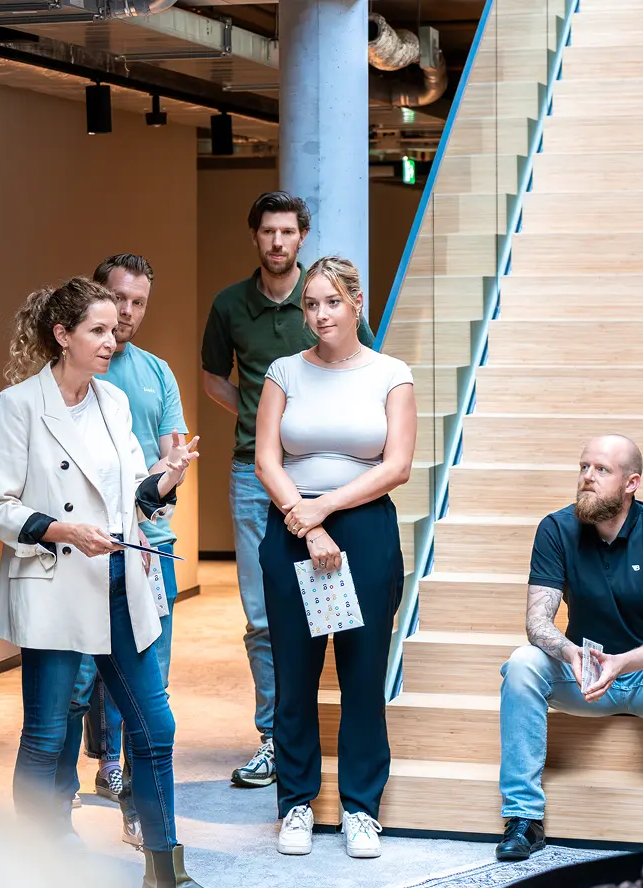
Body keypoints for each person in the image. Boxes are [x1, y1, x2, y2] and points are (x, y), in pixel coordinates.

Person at [0, 277, 202, 884]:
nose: (112, 340)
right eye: (97, 330)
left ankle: (166, 865)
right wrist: (64, 530)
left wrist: (166, 478)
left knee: (155, 727)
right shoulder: (19, 404)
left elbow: (133, 492)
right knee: (48, 736)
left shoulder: (115, 403)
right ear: (62, 335)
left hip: (120, 586)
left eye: (113, 330)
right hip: (55, 586)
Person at [201, 192, 376, 788]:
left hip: (339, 490)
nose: (276, 242)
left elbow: (361, 373)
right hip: (257, 473)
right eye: (266, 232)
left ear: (301, 236)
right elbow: (211, 377)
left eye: (286, 232)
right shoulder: (230, 304)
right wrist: (259, 418)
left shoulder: (328, 301)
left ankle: (320, 741)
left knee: (336, 620)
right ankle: (275, 739)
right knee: (264, 616)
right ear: (255, 237)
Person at [255, 256, 415, 858]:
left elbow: (395, 465)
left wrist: (325, 511)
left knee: (362, 674)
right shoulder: (283, 372)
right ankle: (295, 804)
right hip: (291, 525)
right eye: (311, 304)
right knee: (294, 674)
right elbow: (266, 459)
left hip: (365, 528)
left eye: (331, 302)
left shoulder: (390, 373)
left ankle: (360, 809)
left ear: (356, 303)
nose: (319, 315)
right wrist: (305, 516)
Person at [497, 435, 643, 861]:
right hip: (585, 676)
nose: (587, 478)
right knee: (522, 663)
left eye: (601, 470)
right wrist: (572, 654)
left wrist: (624, 662)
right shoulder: (557, 529)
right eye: (583, 467)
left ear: (632, 483)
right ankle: (524, 819)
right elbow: (537, 622)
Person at [68, 254, 189, 848]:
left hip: (150, 547)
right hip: (80, 552)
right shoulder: (69, 377)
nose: (127, 313)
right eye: (118, 299)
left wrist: (167, 480)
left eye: (138, 302)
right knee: (78, 685)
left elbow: (171, 458)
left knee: (149, 686)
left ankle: (140, 812)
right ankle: (83, 784)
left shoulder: (156, 374)